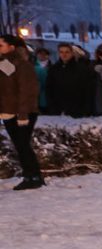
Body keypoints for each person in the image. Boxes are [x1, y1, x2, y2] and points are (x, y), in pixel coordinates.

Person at [0, 34, 42, 190]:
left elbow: (27, 90)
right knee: (20, 145)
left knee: (23, 145)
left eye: (1, 45)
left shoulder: (21, 64)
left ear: (11, 47)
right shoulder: (4, 63)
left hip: (22, 112)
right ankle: (32, 175)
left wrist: (23, 113)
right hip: (9, 111)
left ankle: (33, 176)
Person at [46, 42, 95, 117]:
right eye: (61, 52)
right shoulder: (54, 69)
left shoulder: (82, 69)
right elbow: (49, 88)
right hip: (59, 109)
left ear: (72, 53)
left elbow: (87, 90)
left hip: (78, 109)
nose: (64, 54)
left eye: (67, 52)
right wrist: (52, 106)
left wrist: (86, 109)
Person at [34, 48, 50, 113]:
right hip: (37, 98)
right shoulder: (32, 67)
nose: (42, 55)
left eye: (45, 54)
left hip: (50, 98)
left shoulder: (53, 67)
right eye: (40, 54)